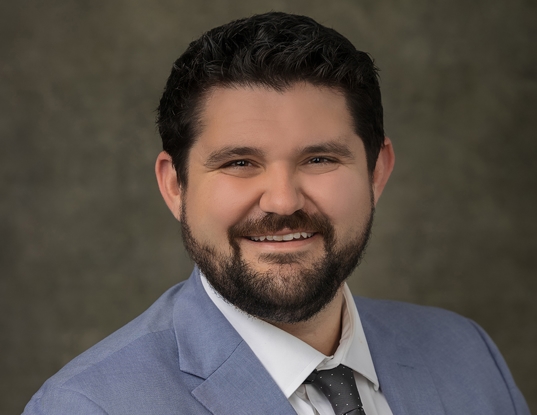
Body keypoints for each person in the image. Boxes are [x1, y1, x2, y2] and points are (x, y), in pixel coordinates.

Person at [23, 12, 529, 415]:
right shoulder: (87, 405)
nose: (283, 202)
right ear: (175, 185)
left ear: (377, 172)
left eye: (320, 159)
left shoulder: (467, 353)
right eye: (239, 163)